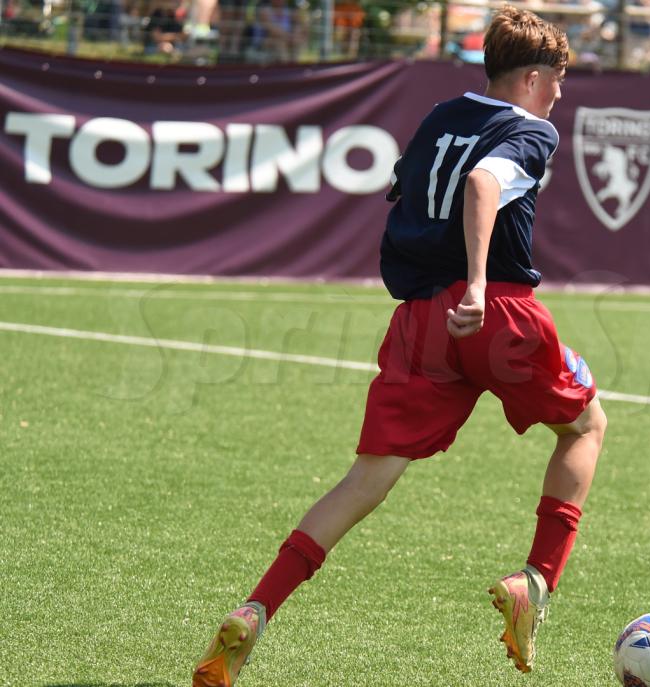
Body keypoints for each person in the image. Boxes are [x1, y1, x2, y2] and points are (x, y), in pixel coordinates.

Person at [191, 6, 607, 686]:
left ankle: (256, 607)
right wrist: (478, 285)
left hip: (420, 321)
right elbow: (483, 183)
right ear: (533, 78)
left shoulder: (441, 116)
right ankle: (536, 579)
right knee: (586, 426)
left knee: (366, 478)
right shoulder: (533, 129)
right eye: (558, 80)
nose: (560, 94)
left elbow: (411, 192)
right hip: (495, 310)